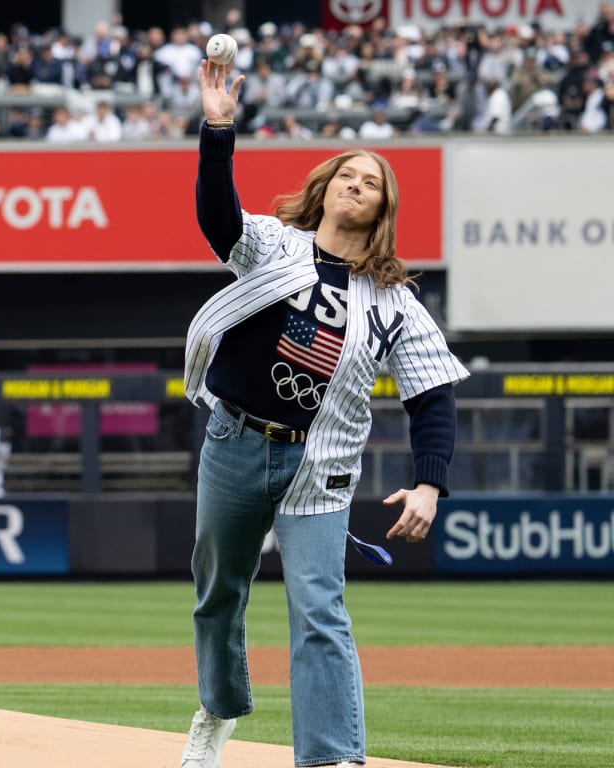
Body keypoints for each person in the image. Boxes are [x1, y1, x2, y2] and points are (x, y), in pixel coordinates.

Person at [177, 59, 468, 768]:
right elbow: (217, 218)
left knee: (319, 610)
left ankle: (333, 757)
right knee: (217, 595)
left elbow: (432, 395)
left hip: (320, 467)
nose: (356, 184)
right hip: (235, 440)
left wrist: (430, 482)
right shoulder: (276, 244)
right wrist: (218, 132)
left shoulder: (395, 301)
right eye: (347, 174)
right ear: (326, 187)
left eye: (371, 182)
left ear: (382, 209)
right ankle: (219, 709)